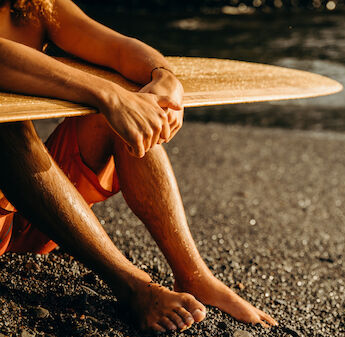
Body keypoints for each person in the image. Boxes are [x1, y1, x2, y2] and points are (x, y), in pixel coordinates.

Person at [0, 0, 278, 332]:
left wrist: (163, 79)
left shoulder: (34, 7)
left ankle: (194, 276)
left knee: (131, 100)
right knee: (6, 128)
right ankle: (131, 286)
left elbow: (118, 50)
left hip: (29, 213)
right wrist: (107, 94)